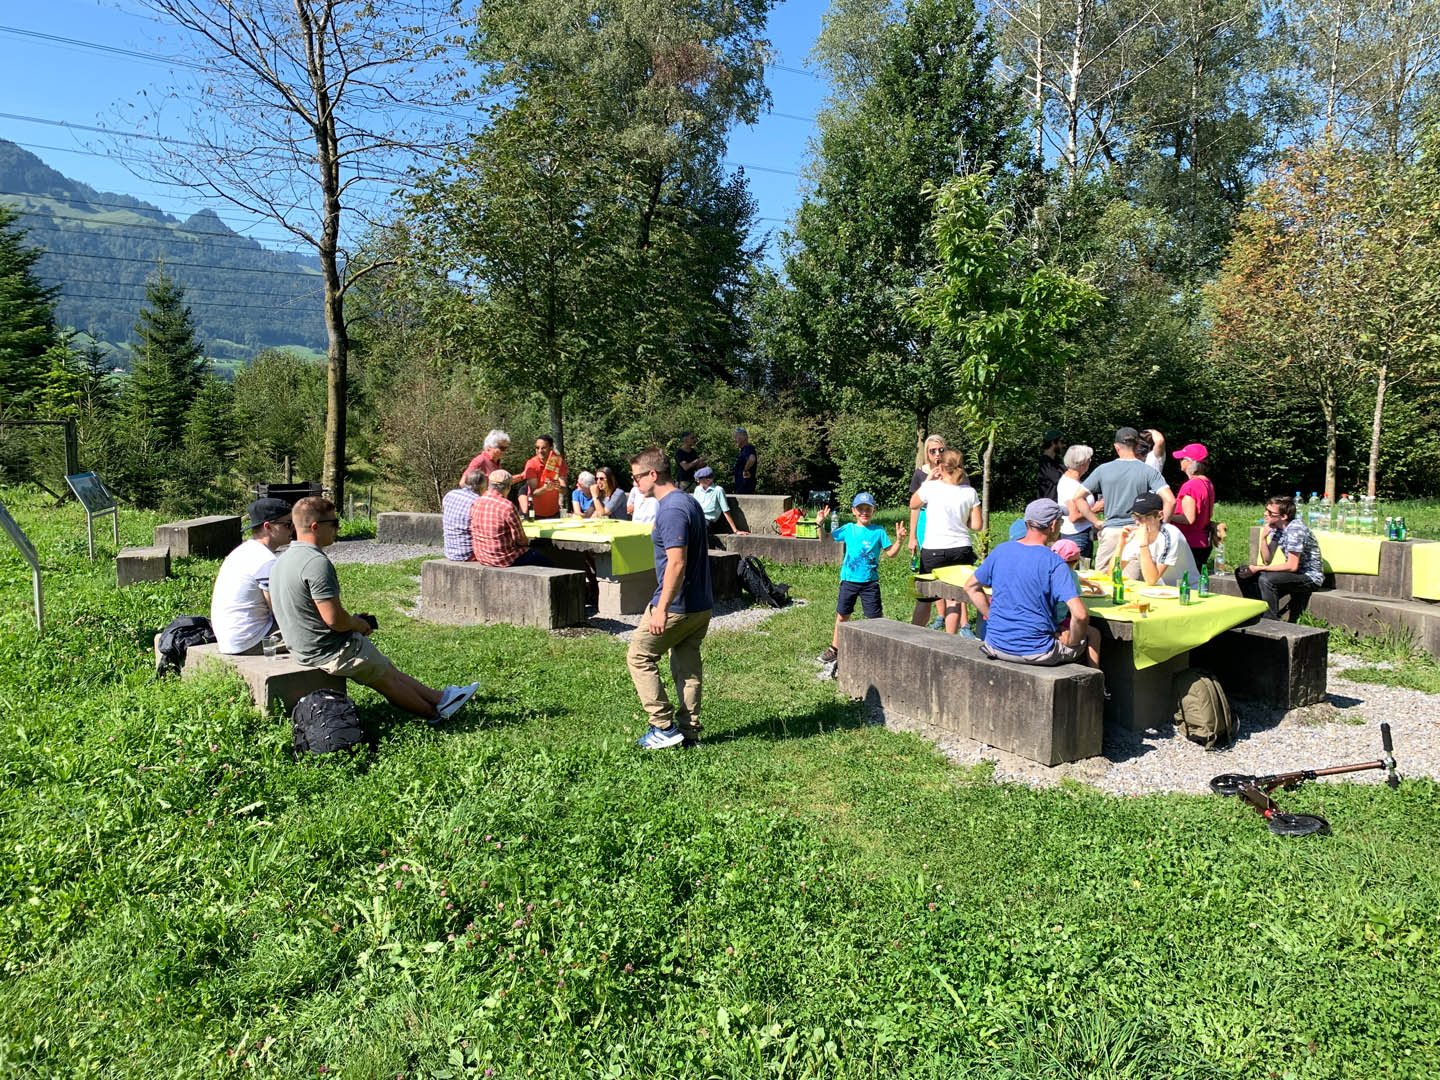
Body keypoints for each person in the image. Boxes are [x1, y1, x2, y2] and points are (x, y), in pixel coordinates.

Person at [270, 497, 478, 721]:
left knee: (386, 668)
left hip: (303, 646)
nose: (338, 529)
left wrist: (352, 623)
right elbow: (334, 620)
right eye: (334, 523)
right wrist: (357, 624)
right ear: (315, 527)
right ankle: (433, 714)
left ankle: (440, 698)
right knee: (387, 680)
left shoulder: (284, 559)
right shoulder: (315, 563)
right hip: (327, 650)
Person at [626, 447, 713, 750]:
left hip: (678, 605)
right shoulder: (688, 501)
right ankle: (690, 734)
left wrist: (661, 608)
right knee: (688, 668)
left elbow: (677, 563)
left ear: (653, 474)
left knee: (639, 656)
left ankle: (662, 726)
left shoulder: (672, 509)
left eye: (637, 477)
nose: (635, 483)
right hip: (700, 604)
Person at [962, 499, 1096, 668]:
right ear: (1053, 525)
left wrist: (992, 616)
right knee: (1086, 639)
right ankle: (1100, 683)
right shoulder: (1054, 562)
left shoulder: (1001, 551)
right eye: (1061, 522)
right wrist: (1072, 641)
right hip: (1037, 652)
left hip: (995, 645)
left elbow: (970, 587)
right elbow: (1080, 614)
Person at [1067, 427, 1174, 572]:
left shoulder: (1103, 469)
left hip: (1111, 531)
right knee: (1133, 581)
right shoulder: (1148, 471)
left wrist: (1096, 521)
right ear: (1137, 446)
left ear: (1116, 447)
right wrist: (1160, 527)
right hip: (1138, 532)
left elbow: (1078, 497)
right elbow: (1170, 501)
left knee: (1103, 580)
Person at [818, 493, 905, 663]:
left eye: (868, 509)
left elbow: (891, 553)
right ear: (853, 511)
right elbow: (826, 540)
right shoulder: (848, 529)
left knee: (875, 619)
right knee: (842, 615)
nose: (864, 512)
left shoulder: (878, 531)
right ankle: (835, 649)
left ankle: (876, 649)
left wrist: (900, 541)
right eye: (860, 509)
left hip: (870, 583)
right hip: (849, 581)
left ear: (874, 510)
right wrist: (819, 524)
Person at [909, 450, 981, 633]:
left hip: (933, 549)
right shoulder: (969, 492)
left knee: (925, 598)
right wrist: (961, 520)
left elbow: (913, 504)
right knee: (954, 598)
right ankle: (950, 640)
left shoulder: (931, 488)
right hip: (961, 549)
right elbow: (977, 525)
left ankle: (912, 637)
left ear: (940, 466)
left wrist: (927, 480)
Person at [210, 497, 293, 654]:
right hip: (252, 640)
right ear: (268, 527)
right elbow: (280, 612)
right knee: (321, 633)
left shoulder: (244, 551)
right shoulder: (266, 561)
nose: (292, 529)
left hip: (232, 638)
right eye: (288, 524)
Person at [1237, 494, 1324, 619]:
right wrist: (1263, 538)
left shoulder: (1295, 530)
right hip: (1293, 574)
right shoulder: (1278, 527)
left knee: (1266, 579)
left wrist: (1258, 568)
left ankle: (1270, 621)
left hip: (1309, 577)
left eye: (1270, 513)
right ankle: (1256, 611)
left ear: (1283, 516)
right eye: (1266, 510)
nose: (1265, 514)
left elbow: (1292, 566)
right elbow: (1267, 560)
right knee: (1242, 572)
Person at [1113, 492, 1198, 587]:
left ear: (1159, 516)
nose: (1137, 522)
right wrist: (1121, 545)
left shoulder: (1171, 535)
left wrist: (1143, 544)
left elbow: (1151, 580)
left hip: (1187, 590)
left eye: (1143, 517)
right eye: (1135, 516)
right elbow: (1112, 573)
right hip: (1160, 590)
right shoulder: (1137, 534)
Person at [471, 470, 548, 567]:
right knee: (547, 561)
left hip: (482, 557)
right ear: (508, 487)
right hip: (503, 559)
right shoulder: (507, 506)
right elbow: (520, 540)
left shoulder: (476, 502)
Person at [1169, 443, 1216, 569]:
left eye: (1182, 459)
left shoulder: (1190, 485)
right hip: (1203, 542)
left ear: (1190, 462)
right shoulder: (1207, 482)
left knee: (1186, 578)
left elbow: (1189, 519)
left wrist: (1167, 515)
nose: (1180, 461)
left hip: (1189, 542)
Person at [907, 435, 948, 560]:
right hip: (925, 519)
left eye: (941, 450)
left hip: (946, 518)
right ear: (927, 453)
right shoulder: (920, 473)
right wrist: (912, 537)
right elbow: (914, 508)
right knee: (929, 557)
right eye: (933, 451)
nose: (937, 454)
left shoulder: (952, 472)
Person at [1057, 445, 1100, 561]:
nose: (1090, 462)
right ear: (1082, 463)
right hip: (1076, 535)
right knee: (1080, 569)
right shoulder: (1070, 485)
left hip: (1082, 532)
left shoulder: (1073, 481)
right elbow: (1074, 517)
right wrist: (1095, 509)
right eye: (1089, 460)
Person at [441, 469, 486, 561]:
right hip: (469, 554)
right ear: (482, 487)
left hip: (450, 552)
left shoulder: (450, 494)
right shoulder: (479, 502)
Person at [521, 434, 568, 519]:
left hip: (555, 514)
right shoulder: (531, 464)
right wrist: (545, 489)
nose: (540, 451)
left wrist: (558, 487)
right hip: (535, 514)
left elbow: (564, 490)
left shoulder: (559, 462)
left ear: (551, 447)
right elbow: (533, 493)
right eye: (537, 448)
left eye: (543, 448)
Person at [691, 467, 746, 534]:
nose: (698, 482)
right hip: (697, 518)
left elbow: (726, 510)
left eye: (699, 480)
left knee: (698, 529)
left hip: (708, 521)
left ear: (708, 480)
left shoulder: (718, 490)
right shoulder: (697, 489)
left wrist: (735, 530)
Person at [1036, 428, 1065, 501]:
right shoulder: (1044, 463)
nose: (1063, 445)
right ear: (1053, 442)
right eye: (1061, 442)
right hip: (1047, 505)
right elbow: (1058, 479)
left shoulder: (1056, 462)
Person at [732, 427, 757, 494]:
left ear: (744, 437)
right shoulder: (743, 450)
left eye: (736, 437)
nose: (735, 440)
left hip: (745, 488)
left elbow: (752, 459)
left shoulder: (748, 448)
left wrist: (745, 470)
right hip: (741, 487)